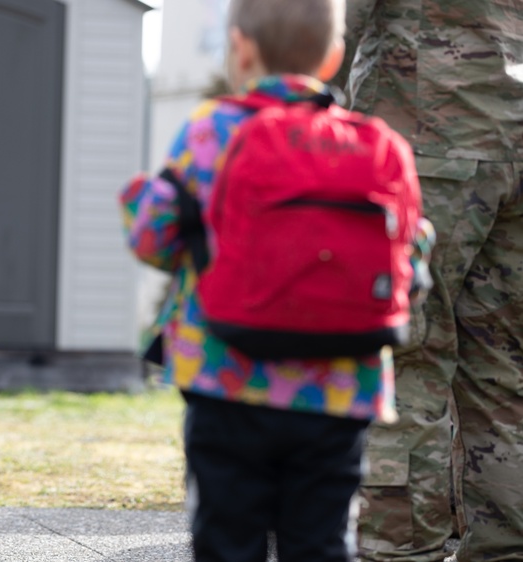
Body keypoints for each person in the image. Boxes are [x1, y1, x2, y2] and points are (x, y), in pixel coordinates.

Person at [119, 0, 431, 560]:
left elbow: (153, 236)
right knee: (320, 542)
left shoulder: (213, 129)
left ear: (240, 47)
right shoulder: (377, 143)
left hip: (227, 377)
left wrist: (139, 199)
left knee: (227, 539)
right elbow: (414, 258)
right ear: (335, 57)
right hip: (341, 387)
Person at [337, 2, 523, 560]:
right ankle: (506, 544)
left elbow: (334, 20)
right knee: (506, 368)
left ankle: (400, 549)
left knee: (404, 355)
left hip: (424, 134)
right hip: (514, 133)